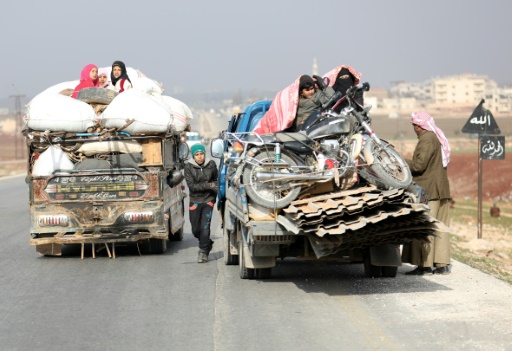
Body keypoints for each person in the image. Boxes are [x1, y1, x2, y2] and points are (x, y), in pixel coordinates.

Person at [402, 111, 452, 275]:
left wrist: (401, 161)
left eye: (414, 126)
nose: (414, 129)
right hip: (440, 189)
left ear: (419, 126)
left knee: (425, 226)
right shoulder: (435, 137)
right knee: (440, 226)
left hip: (429, 191)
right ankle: (441, 264)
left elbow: (418, 166)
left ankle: (424, 265)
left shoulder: (426, 139)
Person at [184, 143, 218, 263]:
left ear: (205, 154)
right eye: (197, 155)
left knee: (205, 227)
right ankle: (207, 242)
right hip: (195, 201)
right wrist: (208, 185)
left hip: (208, 200)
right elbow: (192, 186)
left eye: (201, 154)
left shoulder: (211, 164)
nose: (199, 157)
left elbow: (216, 180)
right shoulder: (188, 167)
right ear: (193, 156)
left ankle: (203, 252)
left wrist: (214, 196)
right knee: (195, 230)